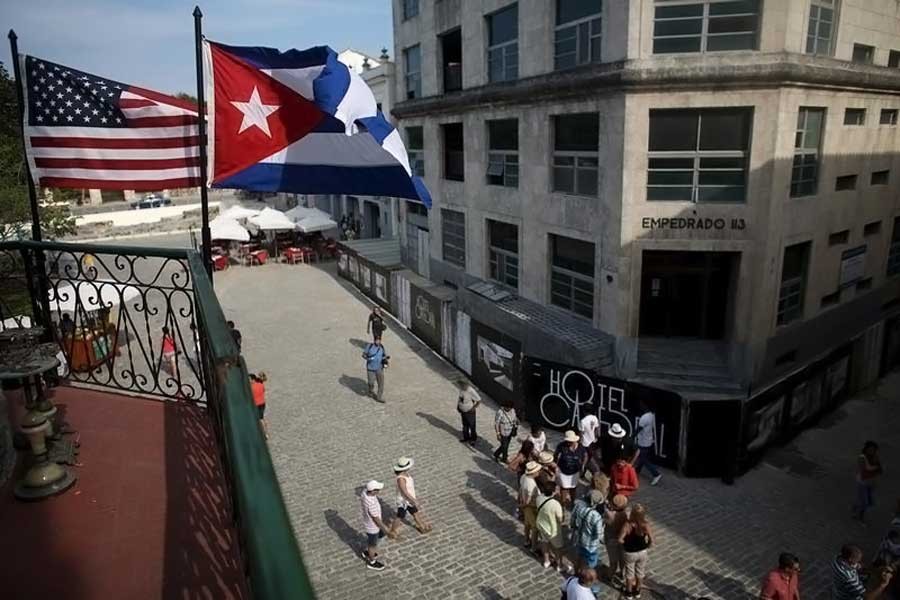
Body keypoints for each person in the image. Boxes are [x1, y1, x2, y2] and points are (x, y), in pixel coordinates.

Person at [389, 457, 432, 535]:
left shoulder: (406, 474)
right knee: (400, 516)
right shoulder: (401, 479)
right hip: (404, 501)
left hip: (409, 500)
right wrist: (413, 500)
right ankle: (393, 530)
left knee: (415, 512)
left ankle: (421, 526)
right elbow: (404, 491)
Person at [359, 480, 395, 571]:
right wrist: (387, 531)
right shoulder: (371, 504)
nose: (379, 491)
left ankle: (369, 552)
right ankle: (372, 562)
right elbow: (376, 520)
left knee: (379, 537)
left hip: (369, 523)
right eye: (377, 489)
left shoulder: (364, 493)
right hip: (373, 527)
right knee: (372, 544)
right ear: (373, 491)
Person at [619, 502, 653, 599]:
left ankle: (629, 592)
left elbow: (620, 539)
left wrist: (625, 544)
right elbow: (652, 539)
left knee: (629, 573)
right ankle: (637, 591)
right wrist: (648, 545)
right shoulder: (645, 525)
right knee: (640, 572)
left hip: (630, 553)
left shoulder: (628, 525)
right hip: (642, 552)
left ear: (632, 514)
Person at [535, 481, 570, 573]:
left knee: (544, 542)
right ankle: (560, 565)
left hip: (542, 525)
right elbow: (560, 519)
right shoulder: (555, 504)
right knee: (558, 548)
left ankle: (546, 561)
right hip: (552, 529)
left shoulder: (539, 498)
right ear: (553, 491)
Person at [571, 489, 607, 572]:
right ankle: (586, 575)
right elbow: (599, 534)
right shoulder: (596, 516)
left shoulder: (579, 507)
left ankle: (577, 571)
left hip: (579, 538)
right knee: (591, 562)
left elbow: (573, 520)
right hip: (591, 544)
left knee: (579, 556)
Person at [554, 430, 588, 510]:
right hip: (563, 471)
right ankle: (562, 504)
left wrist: (583, 465)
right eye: (568, 441)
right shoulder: (561, 446)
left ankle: (572, 502)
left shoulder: (580, 447)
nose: (569, 443)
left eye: (570, 441)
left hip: (575, 472)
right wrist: (556, 467)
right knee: (564, 488)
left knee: (573, 488)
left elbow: (585, 455)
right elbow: (556, 455)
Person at [853, 441, 882, 523]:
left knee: (869, 502)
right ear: (866, 449)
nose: (871, 451)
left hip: (871, 483)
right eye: (870, 449)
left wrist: (875, 466)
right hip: (862, 483)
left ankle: (855, 508)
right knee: (865, 503)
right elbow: (866, 469)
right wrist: (875, 467)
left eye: (873, 450)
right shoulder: (862, 457)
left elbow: (880, 471)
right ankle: (860, 517)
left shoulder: (874, 457)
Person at [634, 404, 662, 486]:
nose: (640, 407)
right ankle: (637, 471)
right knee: (642, 457)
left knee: (644, 459)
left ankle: (656, 474)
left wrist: (631, 436)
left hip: (643, 442)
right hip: (648, 441)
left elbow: (639, 429)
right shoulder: (652, 415)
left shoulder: (644, 417)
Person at [604, 494, 629, 584]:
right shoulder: (624, 515)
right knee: (622, 559)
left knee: (613, 561)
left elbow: (605, 519)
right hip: (622, 539)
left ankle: (609, 576)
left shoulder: (609, 514)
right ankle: (622, 574)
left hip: (611, 539)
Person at [519, 461, 542, 551]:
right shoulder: (531, 484)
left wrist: (521, 500)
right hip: (531, 506)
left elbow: (520, 489)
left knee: (527, 524)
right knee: (534, 527)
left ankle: (526, 540)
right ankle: (534, 546)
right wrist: (522, 505)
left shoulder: (523, 477)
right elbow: (528, 500)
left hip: (526, 506)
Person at [362, 336, 389, 403]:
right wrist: (368, 359)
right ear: (374, 341)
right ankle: (371, 391)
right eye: (377, 340)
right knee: (371, 382)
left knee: (381, 383)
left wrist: (386, 362)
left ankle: (379, 397)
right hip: (370, 368)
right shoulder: (370, 346)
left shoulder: (381, 347)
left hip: (379, 368)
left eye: (379, 340)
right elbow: (364, 355)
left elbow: (383, 356)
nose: (378, 342)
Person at [250, 372, 268, 439]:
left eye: (249, 379)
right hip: (262, 403)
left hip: (256, 405)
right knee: (261, 418)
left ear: (253, 379)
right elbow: (263, 391)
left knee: (258, 419)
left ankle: (260, 434)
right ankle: (265, 433)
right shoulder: (261, 384)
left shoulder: (251, 387)